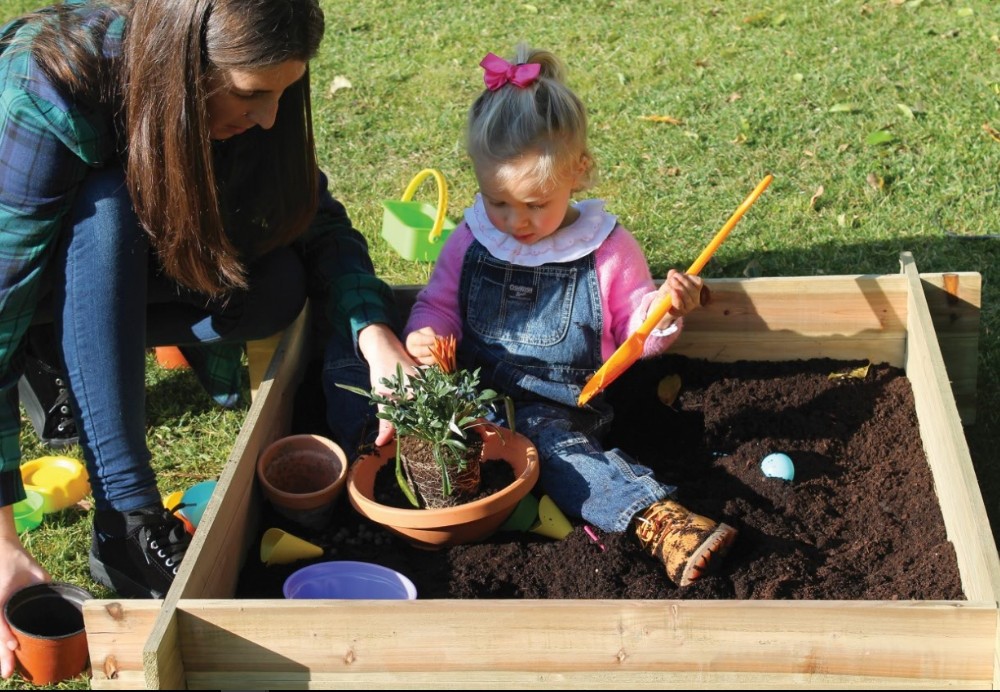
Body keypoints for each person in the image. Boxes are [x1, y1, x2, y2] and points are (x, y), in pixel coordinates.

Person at [0, 0, 412, 679]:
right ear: (183, 65)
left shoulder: (237, 96)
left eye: (285, 91)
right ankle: (125, 522)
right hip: (26, 254)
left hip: (108, 261)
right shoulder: (52, 83)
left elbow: (315, 219)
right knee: (107, 206)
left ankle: (64, 349)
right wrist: (3, 540)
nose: (272, 117)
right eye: (254, 94)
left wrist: (376, 339)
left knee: (277, 281)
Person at [403, 46, 738, 588]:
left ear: (578, 172)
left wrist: (665, 311)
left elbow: (636, 329)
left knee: (555, 451)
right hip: (470, 398)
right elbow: (439, 303)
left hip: (559, 408)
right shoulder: (472, 237)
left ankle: (655, 518)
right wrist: (425, 337)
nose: (516, 222)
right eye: (499, 202)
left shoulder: (605, 249)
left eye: (536, 204)